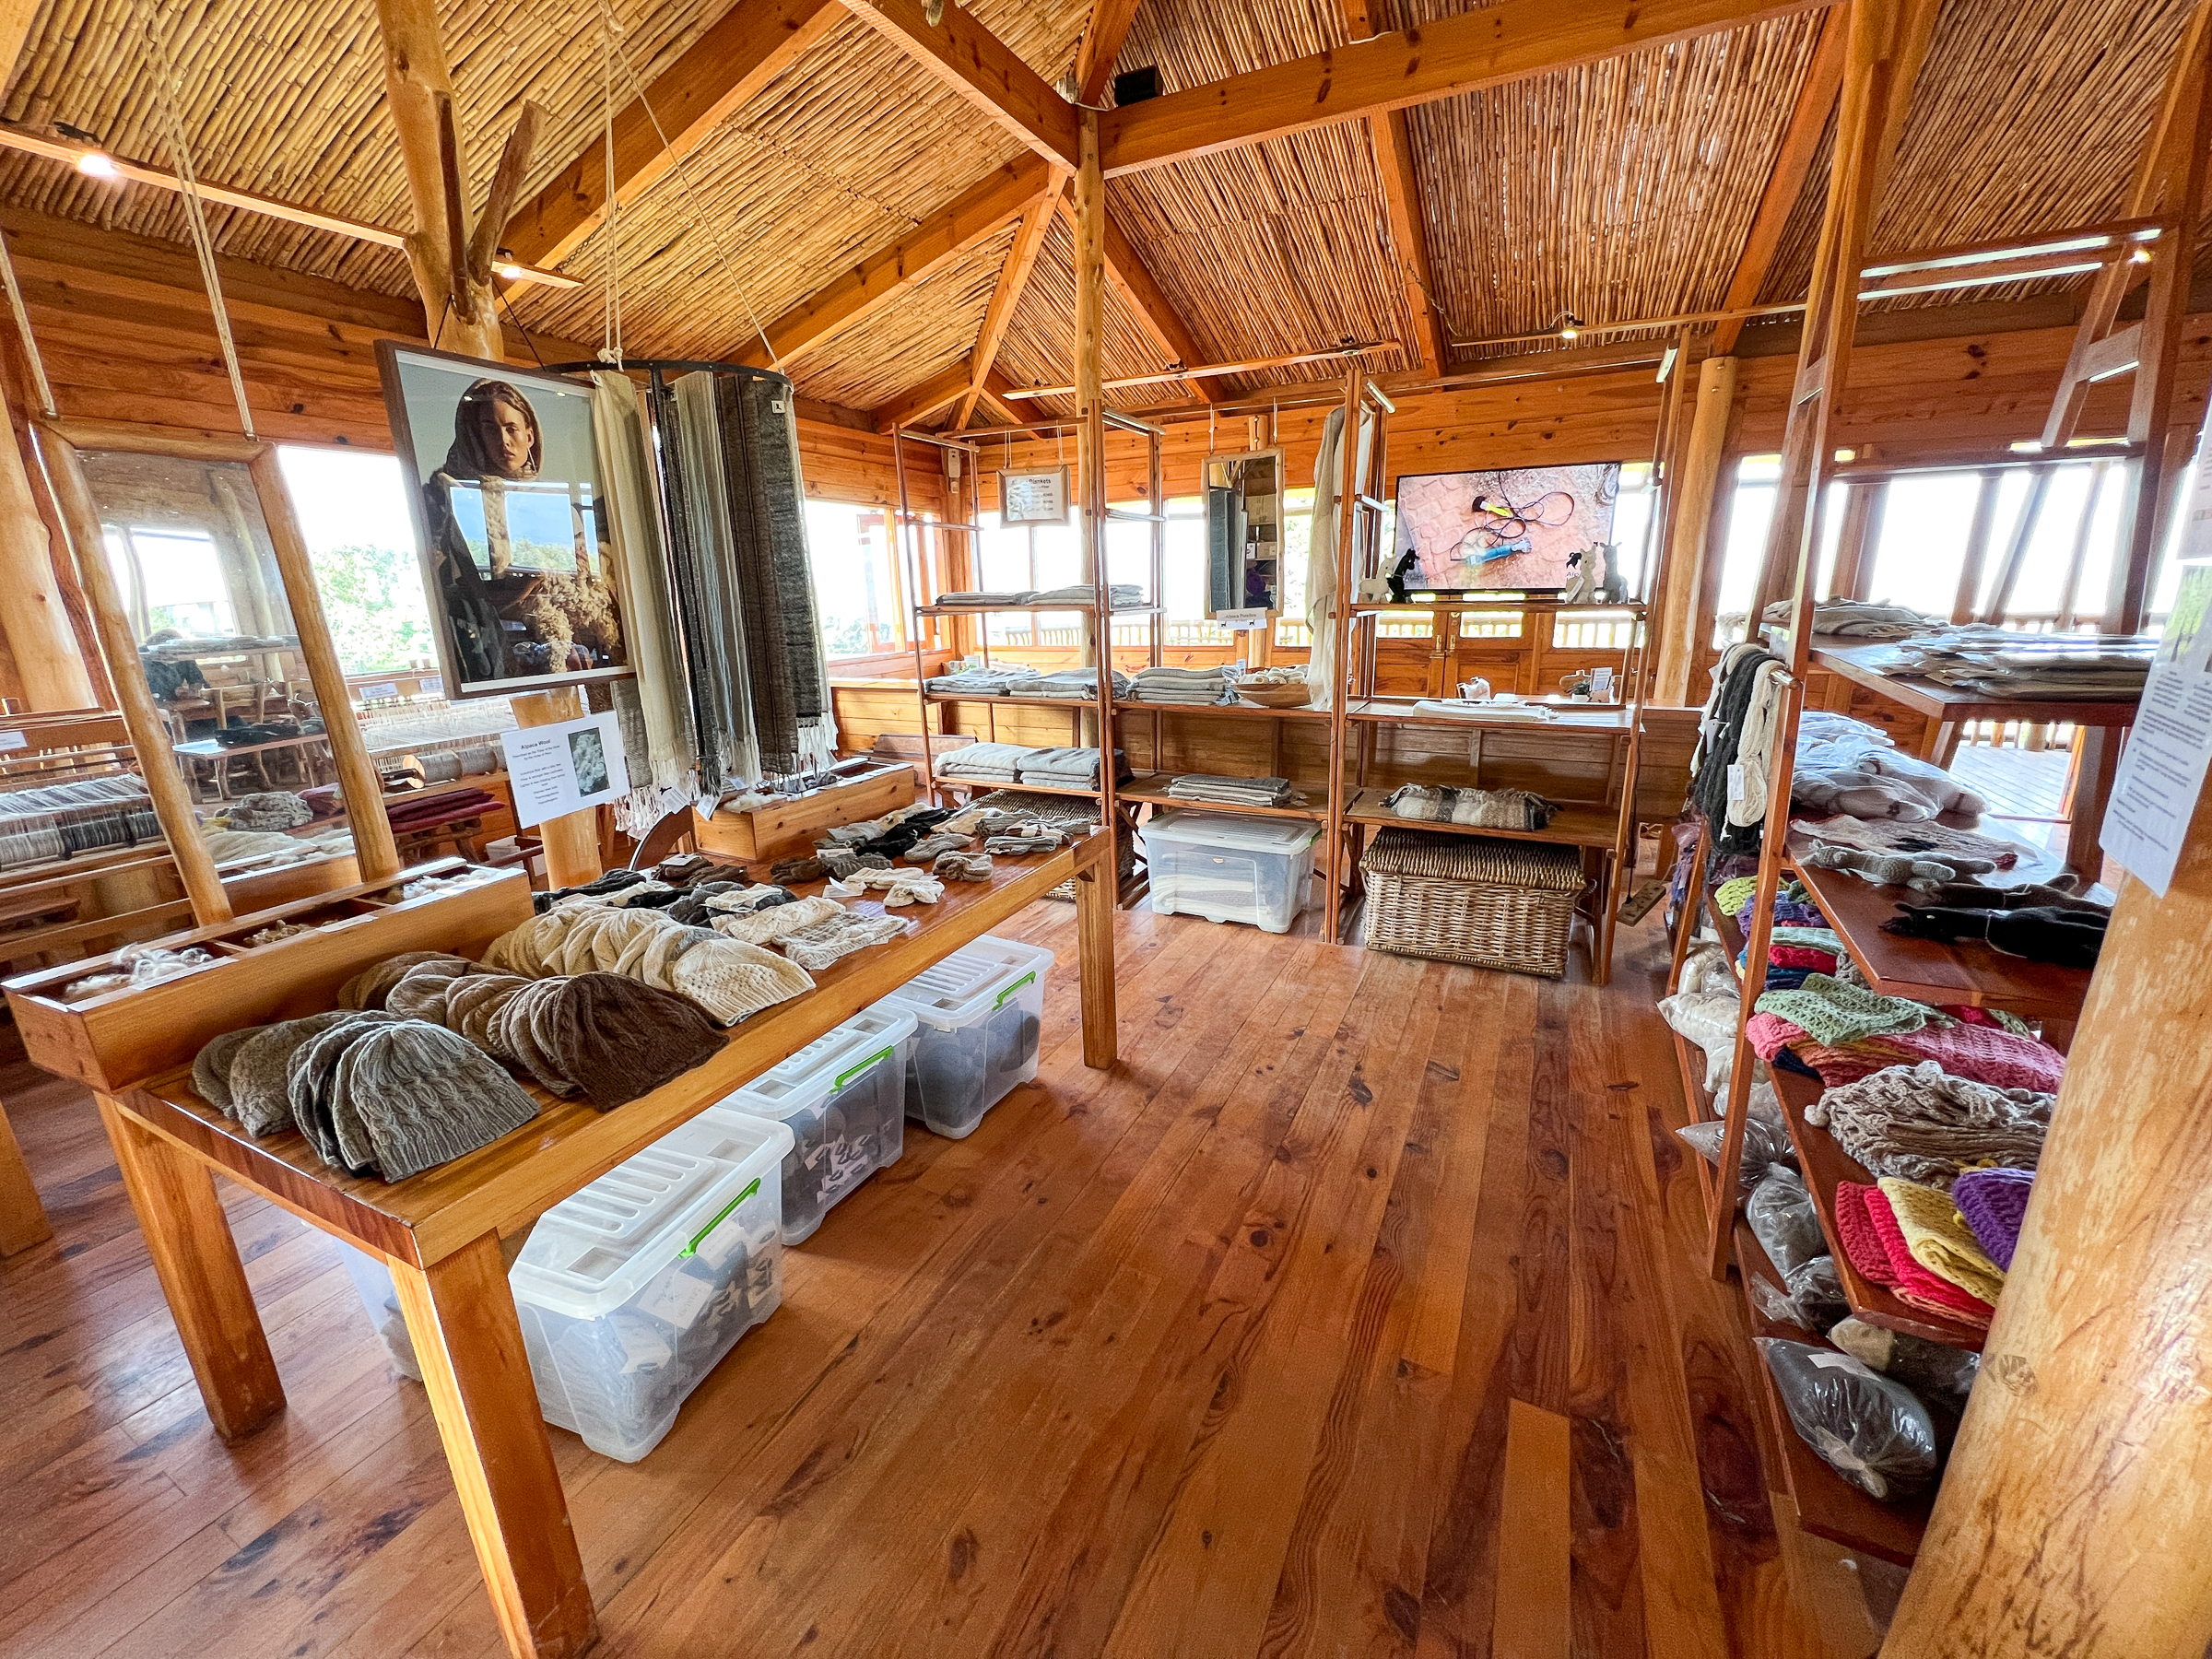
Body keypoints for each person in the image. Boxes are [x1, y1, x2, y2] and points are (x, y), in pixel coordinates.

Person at [422, 379, 544, 684]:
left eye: (511, 428)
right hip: (484, 650)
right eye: (491, 429)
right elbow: (445, 588)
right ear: (477, 436)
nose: (504, 440)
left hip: (549, 647)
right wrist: (520, 587)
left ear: (529, 435)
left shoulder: (547, 503)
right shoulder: (445, 497)